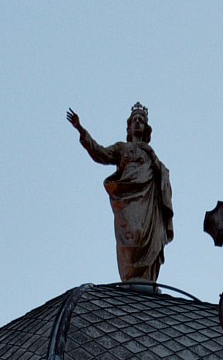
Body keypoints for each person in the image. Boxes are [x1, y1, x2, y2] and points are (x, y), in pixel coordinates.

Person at [67, 104, 174, 284]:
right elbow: (100, 153)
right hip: (128, 196)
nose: (138, 123)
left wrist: (158, 167)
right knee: (135, 232)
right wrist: (81, 130)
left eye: (141, 121)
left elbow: (162, 176)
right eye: (135, 120)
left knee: (150, 236)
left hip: (149, 199)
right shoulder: (122, 148)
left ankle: (146, 277)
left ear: (146, 128)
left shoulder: (151, 154)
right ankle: (132, 275)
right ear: (129, 127)